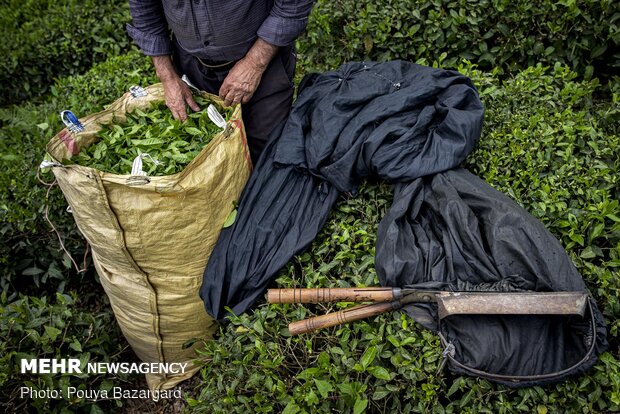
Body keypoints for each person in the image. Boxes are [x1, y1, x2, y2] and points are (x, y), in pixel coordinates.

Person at [127, 1, 315, 164]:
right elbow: (145, 12)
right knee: (206, 151)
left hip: (263, 59)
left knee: (267, 150)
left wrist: (254, 64)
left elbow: (292, 5)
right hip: (191, 64)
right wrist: (168, 77)